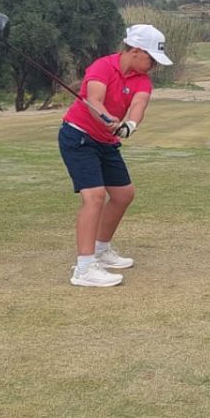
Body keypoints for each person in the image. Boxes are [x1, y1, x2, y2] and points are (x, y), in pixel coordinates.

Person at [58, 22, 170, 287]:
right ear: (136, 51)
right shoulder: (102, 67)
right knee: (94, 197)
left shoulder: (142, 79)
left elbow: (139, 103)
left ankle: (100, 249)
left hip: (106, 141)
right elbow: (94, 100)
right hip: (79, 136)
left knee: (123, 195)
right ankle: (84, 269)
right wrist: (108, 117)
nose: (154, 65)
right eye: (152, 59)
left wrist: (130, 125)